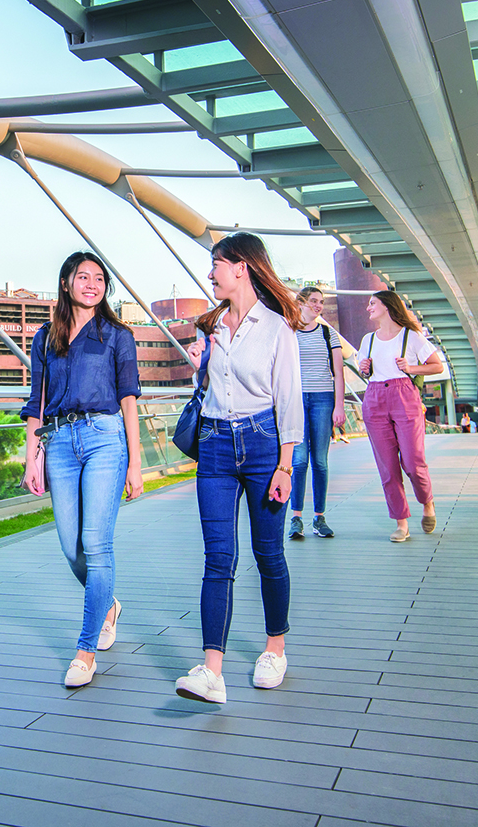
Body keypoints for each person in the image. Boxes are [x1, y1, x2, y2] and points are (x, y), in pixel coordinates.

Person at [174, 232, 303, 705]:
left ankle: (275, 648)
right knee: (218, 558)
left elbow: (288, 399)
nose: (211, 274)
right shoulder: (210, 325)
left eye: (216, 265)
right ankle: (212, 671)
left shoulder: (277, 328)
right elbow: (210, 386)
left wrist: (286, 465)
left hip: (265, 444)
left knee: (267, 553)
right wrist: (199, 365)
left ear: (241, 268)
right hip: (213, 446)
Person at [22, 252, 143, 688]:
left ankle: (85, 651)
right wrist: (31, 456)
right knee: (71, 549)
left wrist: (135, 460)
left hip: (104, 439)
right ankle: (108, 604)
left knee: (96, 543)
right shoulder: (45, 337)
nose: (91, 284)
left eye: (99, 278)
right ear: (66, 282)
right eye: (83, 277)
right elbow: (36, 401)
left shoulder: (117, 335)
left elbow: (129, 399)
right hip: (58, 444)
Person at [357, 291, 444, 542]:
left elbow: (436, 365)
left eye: (372, 303)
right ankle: (401, 522)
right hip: (374, 398)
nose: (368, 307)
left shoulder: (412, 336)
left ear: (387, 306)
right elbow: (367, 371)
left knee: (413, 462)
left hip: (404, 396)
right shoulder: (368, 340)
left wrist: (411, 367)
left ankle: (427, 502)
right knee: (387, 466)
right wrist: (365, 369)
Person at [288, 286, 345, 540]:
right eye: (313, 301)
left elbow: (339, 373)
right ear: (300, 302)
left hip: (323, 399)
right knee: (298, 461)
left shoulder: (328, 333)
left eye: (321, 302)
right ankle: (296, 518)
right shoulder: (288, 331)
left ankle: (319, 517)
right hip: (296, 400)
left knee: (319, 461)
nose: (318, 306)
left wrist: (339, 406)